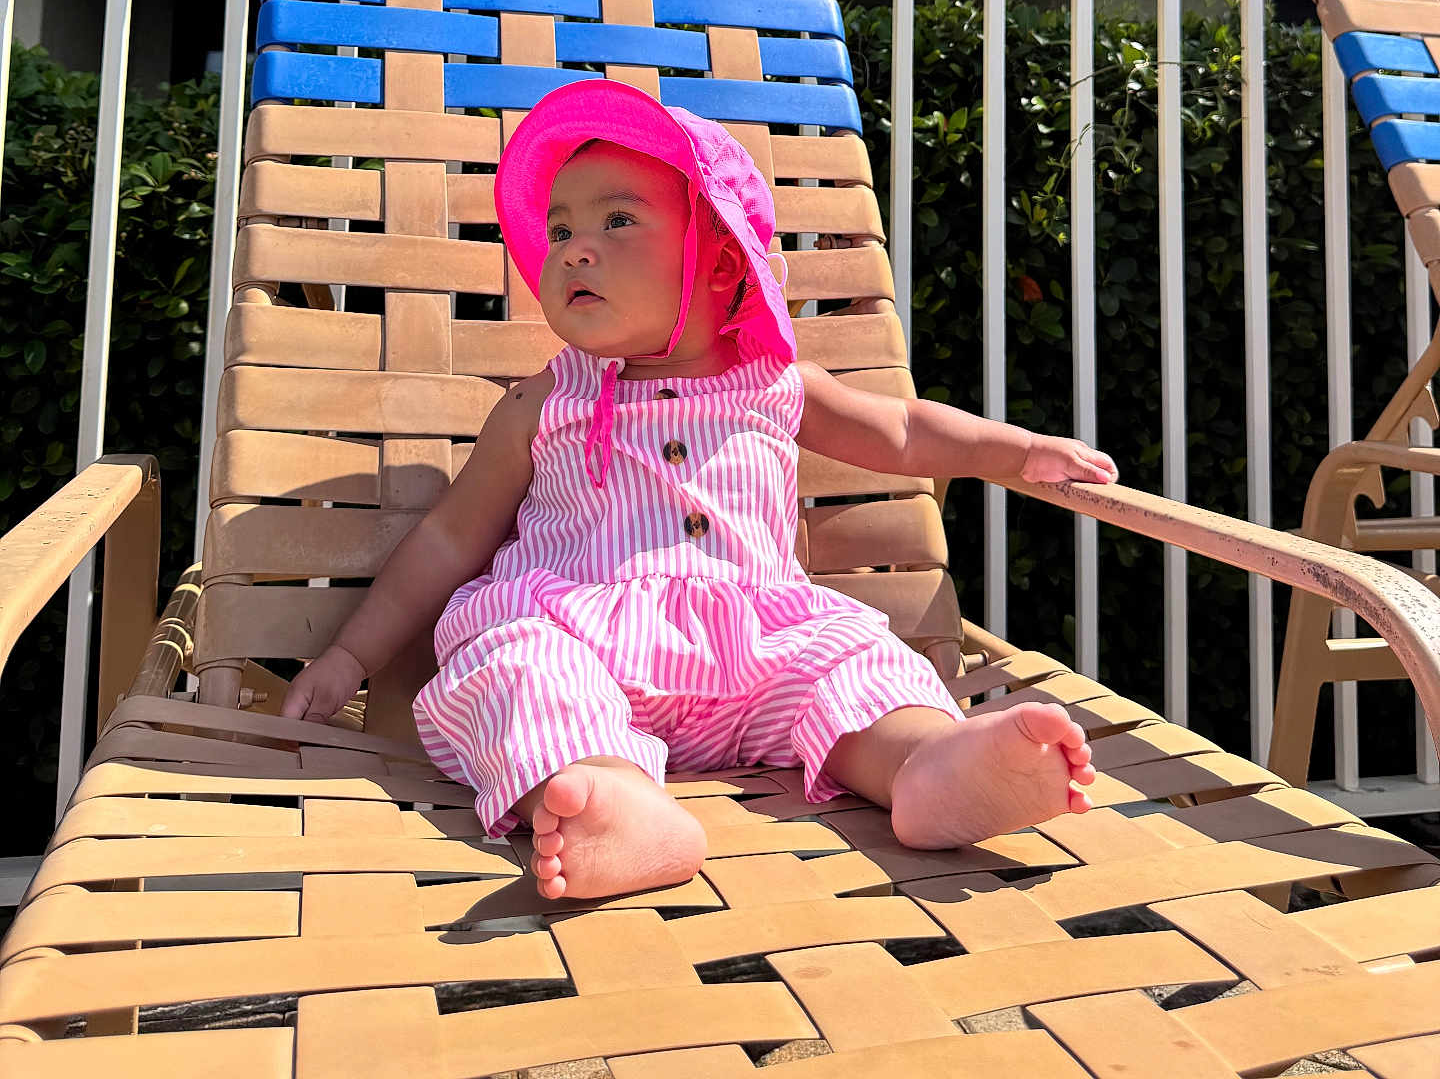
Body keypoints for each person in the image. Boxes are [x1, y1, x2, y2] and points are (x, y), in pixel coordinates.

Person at [282, 81, 1118, 900]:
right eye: (561, 226)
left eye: (618, 221)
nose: (574, 245)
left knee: (855, 665)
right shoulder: (543, 402)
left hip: (759, 654)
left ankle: (928, 765)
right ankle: (607, 798)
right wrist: (352, 655)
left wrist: (1019, 451)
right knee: (517, 667)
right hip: (586, 644)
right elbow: (448, 538)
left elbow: (901, 431)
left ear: (720, 258)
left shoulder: (777, 382)